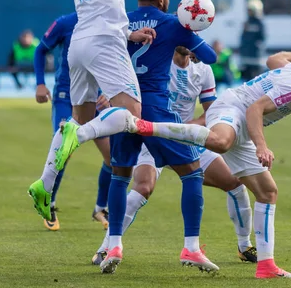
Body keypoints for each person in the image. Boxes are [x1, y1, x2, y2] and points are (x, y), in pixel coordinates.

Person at [128, 43, 291, 279]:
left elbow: (274, 60)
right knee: (221, 142)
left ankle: (266, 265)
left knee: (268, 192)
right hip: (233, 108)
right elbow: (255, 110)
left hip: (245, 126)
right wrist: (262, 146)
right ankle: (149, 127)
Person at [55, 0, 219, 274]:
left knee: (120, 176)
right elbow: (210, 57)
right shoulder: (172, 24)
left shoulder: (121, 22)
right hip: (155, 109)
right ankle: (191, 248)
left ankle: (114, 243)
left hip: (123, 107)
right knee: (192, 174)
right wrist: (190, 27)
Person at [27, 0, 154, 242]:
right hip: (102, 40)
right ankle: (77, 139)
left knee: (79, 119)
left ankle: (44, 184)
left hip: (82, 40)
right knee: (132, 112)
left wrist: (130, 32)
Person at [91, 46, 257, 266]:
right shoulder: (157, 61)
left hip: (185, 139)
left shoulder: (203, 70)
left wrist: (185, 128)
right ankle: (106, 248)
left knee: (235, 183)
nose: (187, 40)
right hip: (151, 135)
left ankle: (244, 246)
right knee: (143, 187)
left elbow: (211, 113)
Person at [32, 13, 113, 231]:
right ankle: (50, 204)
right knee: (63, 152)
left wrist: (110, 91)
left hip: (96, 99)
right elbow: (40, 50)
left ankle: (100, 208)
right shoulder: (65, 23)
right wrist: (40, 83)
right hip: (66, 97)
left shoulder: (111, 22)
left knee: (112, 158)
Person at [239, 0, 266, 82]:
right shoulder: (247, 22)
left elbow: (262, 38)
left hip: (256, 58)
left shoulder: (260, 23)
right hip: (246, 57)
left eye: (251, 10)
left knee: (256, 81)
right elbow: (243, 37)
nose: (249, 12)